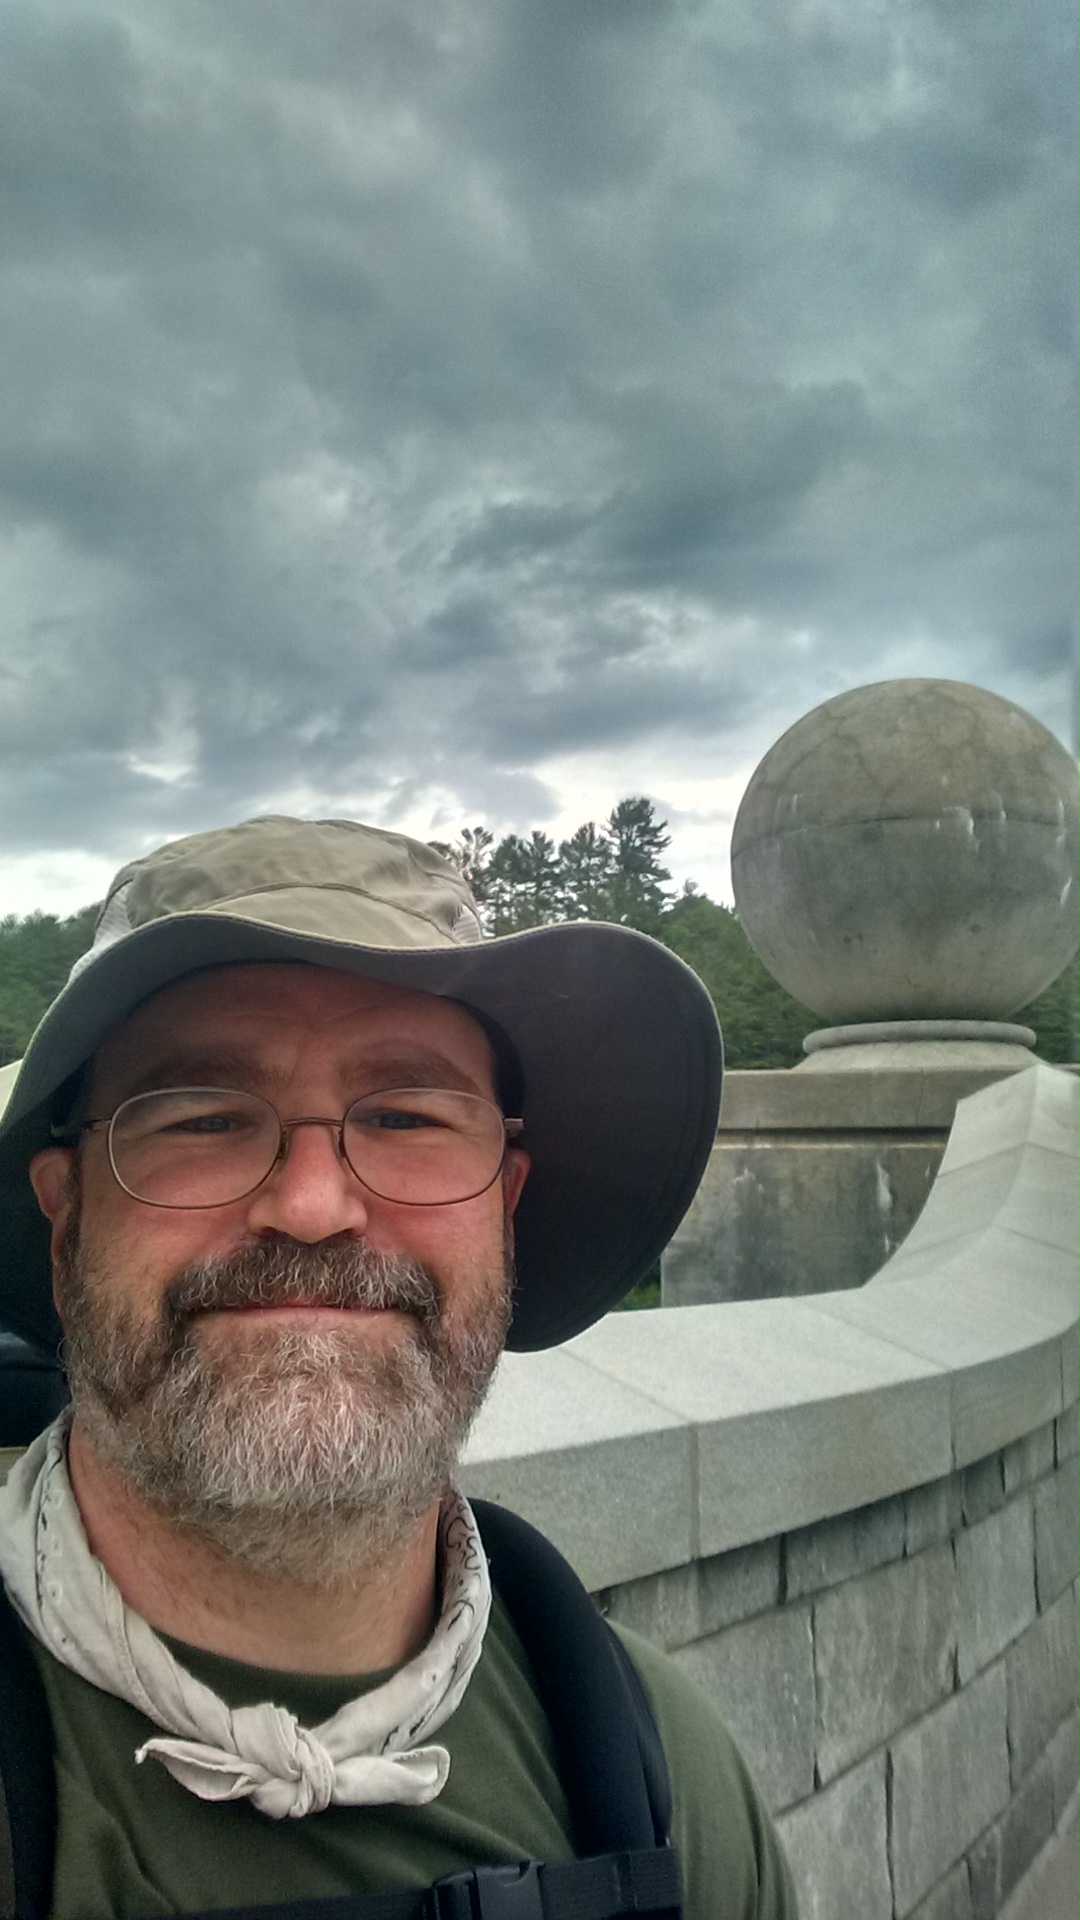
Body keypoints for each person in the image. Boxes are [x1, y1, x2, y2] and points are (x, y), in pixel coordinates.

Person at [0, 815, 796, 1920]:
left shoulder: (667, 1781)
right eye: (204, 1118)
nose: (312, 1207)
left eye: (405, 1114)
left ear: (504, 1213)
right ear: (66, 1223)